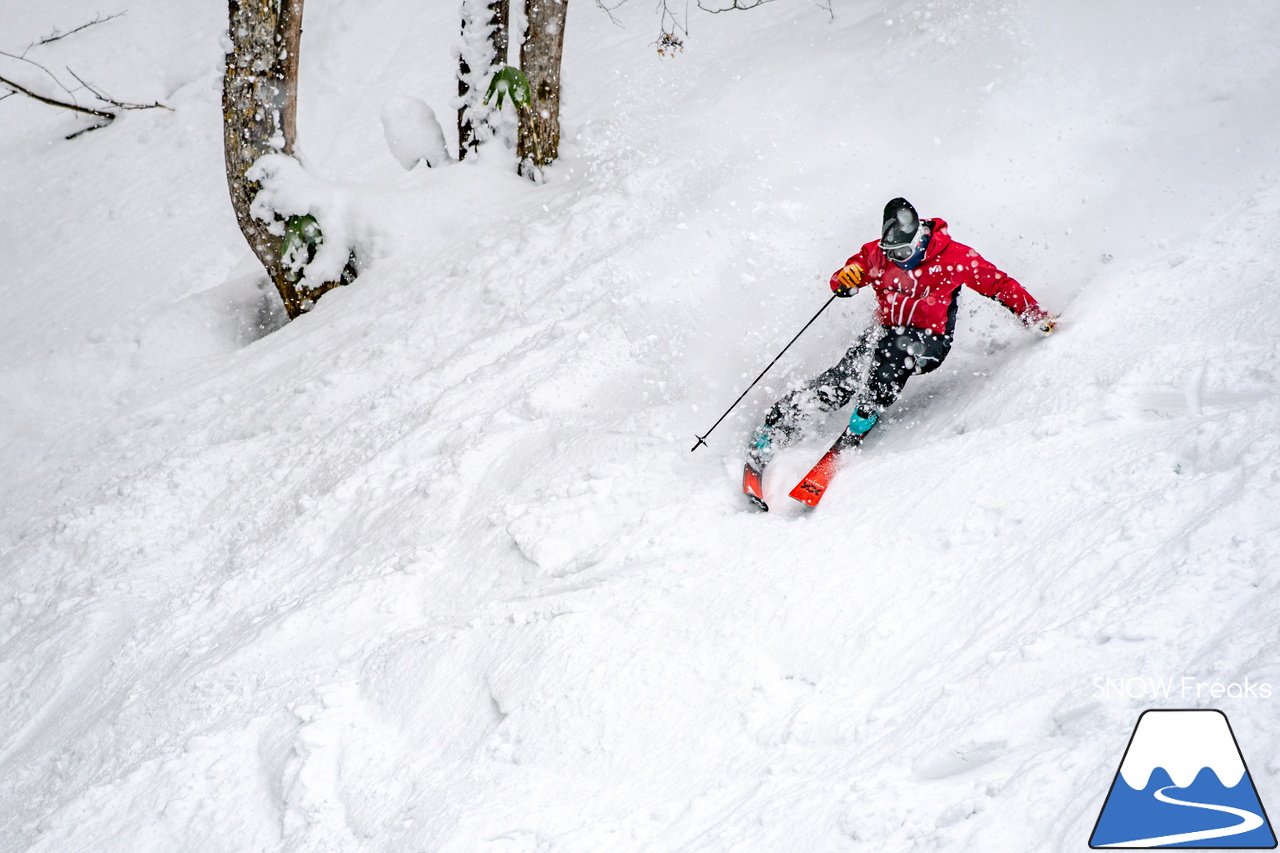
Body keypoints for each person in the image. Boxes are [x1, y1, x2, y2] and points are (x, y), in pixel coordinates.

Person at [746, 197, 1056, 474]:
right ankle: (780, 421)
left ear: (920, 239)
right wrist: (845, 279)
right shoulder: (877, 255)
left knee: (894, 354)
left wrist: (1035, 316)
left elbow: (999, 285)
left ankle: (865, 415)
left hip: (929, 340)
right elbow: (844, 278)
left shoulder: (955, 257)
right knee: (844, 377)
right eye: (892, 252)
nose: (898, 259)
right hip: (884, 329)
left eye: (905, 251)